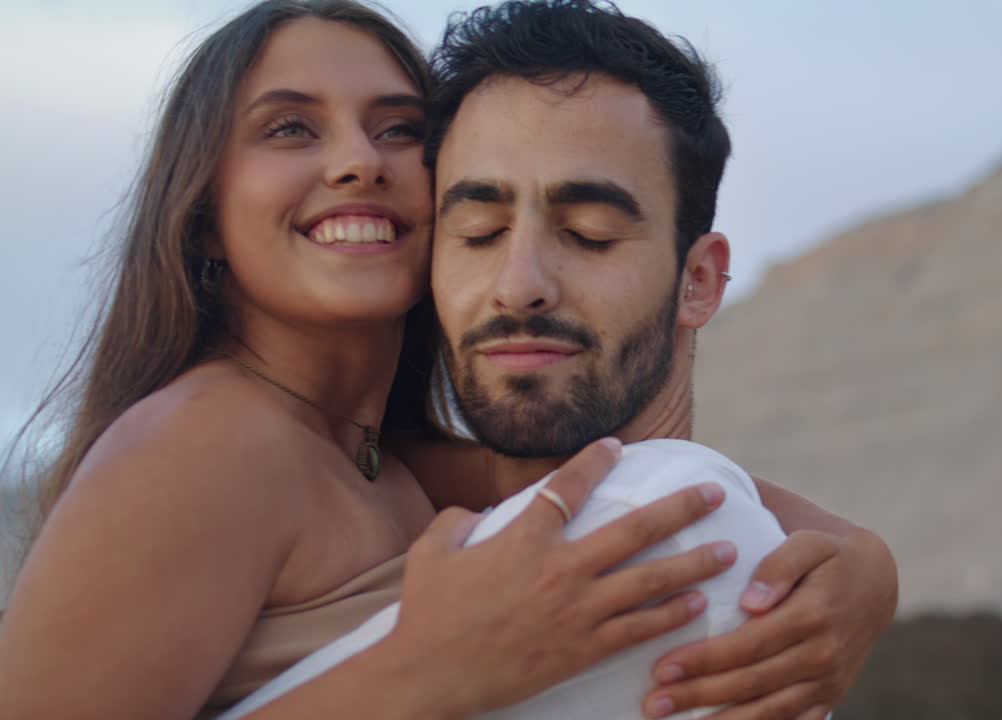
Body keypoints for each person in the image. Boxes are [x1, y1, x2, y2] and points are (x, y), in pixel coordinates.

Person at [0, 3, 744, 718]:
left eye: (397, 129)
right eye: (290, 128)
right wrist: (419, 675)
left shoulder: (384, 463)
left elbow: (653, 482)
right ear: (202, 220)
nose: (359, 161)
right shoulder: (203, 444)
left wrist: (855, 564)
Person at [230, 2, 898, 718]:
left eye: (590, 234)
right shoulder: (370, 480)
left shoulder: (671, 535)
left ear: (697, 281)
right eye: (479, 234)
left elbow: (660, 495)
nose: (520, 285)